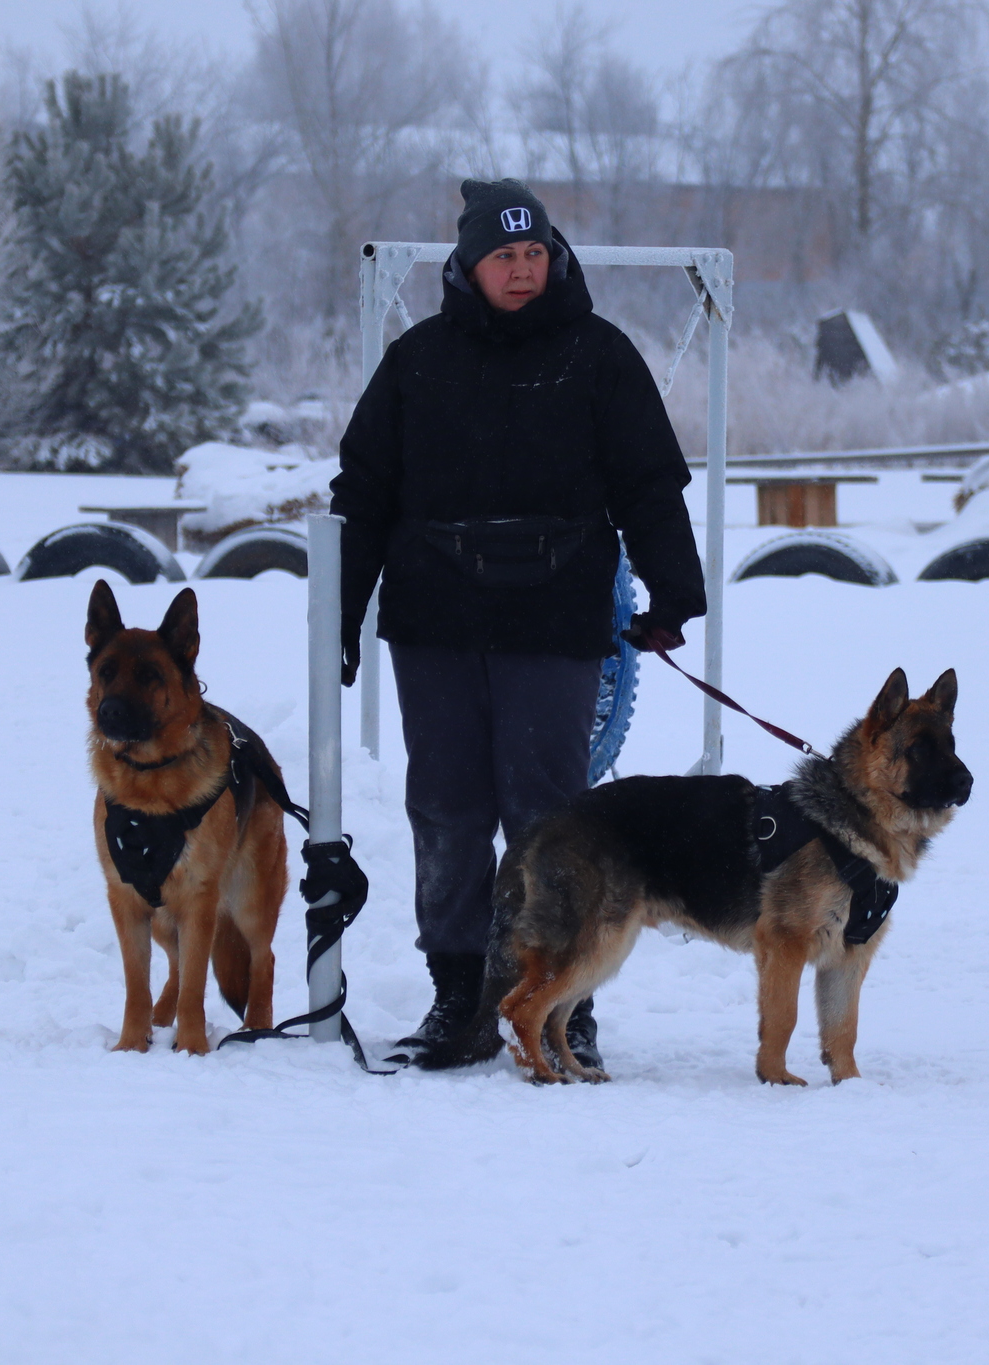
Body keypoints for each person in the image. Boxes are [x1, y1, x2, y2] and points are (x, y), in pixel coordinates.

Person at [330, 178, 706, 1070]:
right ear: (468, 263)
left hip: (554, 620)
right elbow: (363, 494)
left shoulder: (600, 357)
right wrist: (339, 618)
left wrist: (675, 594)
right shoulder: (416, 361)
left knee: (552, 818)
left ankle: (564, 1000)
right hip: (437, 623)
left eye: (535, 252)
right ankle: (459, 995)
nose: (522, 269)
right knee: (448, 809)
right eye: (504, 255)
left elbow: (651, 480)